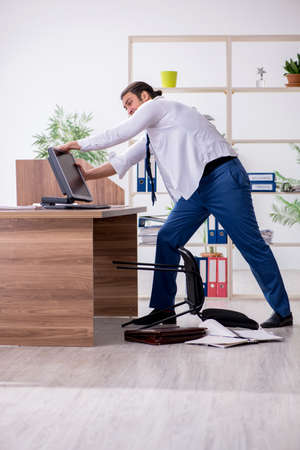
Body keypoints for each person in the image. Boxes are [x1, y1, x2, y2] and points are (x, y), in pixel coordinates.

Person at [56, 81, 293, 328]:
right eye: (125, 107)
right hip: (195, 189)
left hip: (222, 178)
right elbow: (124, 161)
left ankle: (282, 312)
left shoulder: (158, 107)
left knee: (250, 244)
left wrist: (76, 143)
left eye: (130, 103)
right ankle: (163, 309)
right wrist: (87, 175)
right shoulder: (155, 132)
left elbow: (121, 132)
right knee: (167, 237)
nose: (128, 110)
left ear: (145, 96)